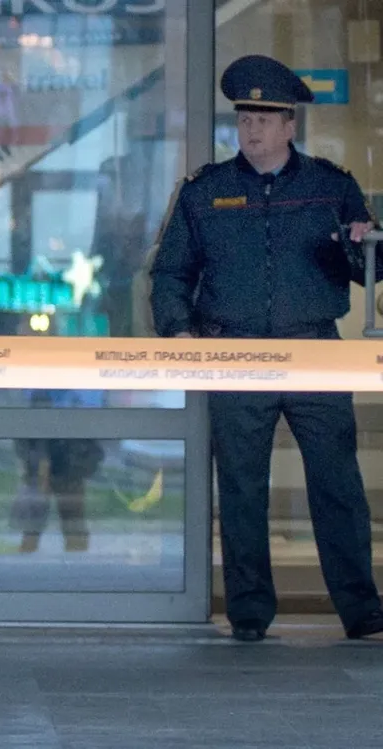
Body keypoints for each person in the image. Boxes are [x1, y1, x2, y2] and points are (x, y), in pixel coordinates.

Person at [150, 54, 383, 643]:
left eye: (264, 120)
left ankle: (361, 610)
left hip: (315, 352)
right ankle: (249, 613)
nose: (251, 130)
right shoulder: (206, 191)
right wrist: (179, 332)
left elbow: (369, 269)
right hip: (236, 353)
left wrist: (362, 244)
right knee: (241, 486)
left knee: (337, 485)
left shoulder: (331, 187)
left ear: (289, 125)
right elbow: (171, 271)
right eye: (244, 119)